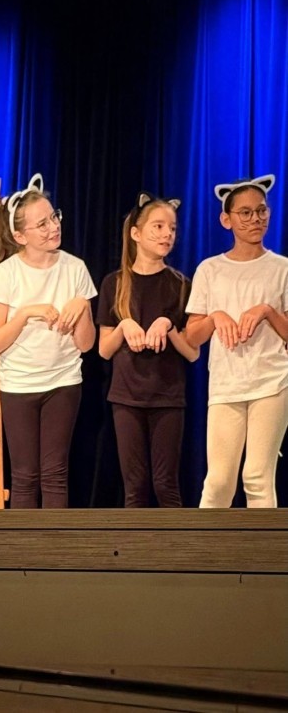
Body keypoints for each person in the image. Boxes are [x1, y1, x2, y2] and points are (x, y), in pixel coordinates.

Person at [0, 173, 97, 508]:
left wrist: (82, 308)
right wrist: (24, 314)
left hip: (63, 381)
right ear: (20, 236)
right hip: (19, 385)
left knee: (55, 473)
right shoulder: (7, 273)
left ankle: (54, 542)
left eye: (54, 217)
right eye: (42, 224)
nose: (53, 227)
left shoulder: (75, 268)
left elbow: (87, 344)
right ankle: (23, 542)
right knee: (25, 475)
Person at [185, 175, 288, 508]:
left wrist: (267, 311)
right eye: (245, 212)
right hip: (226, 384)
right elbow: (192, 336)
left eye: (261, 211)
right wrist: (215, 316)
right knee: (218, 481)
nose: (255, 219)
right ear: (226, 219)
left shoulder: (282, 268)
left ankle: (264, 544)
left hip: (272, 382)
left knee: (257, 476)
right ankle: (205, 543)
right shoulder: (210, 269)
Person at [96, 193, 199, 508]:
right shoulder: (114, 283)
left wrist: (168, 325)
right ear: (136, 233)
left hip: (168, 396)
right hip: (126, 397)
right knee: (135, 487)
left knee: (166, 483)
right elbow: (104, 350)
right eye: (158, 226)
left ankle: (174, 541)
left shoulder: (181, 284)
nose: (167, 234)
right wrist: (125, 326)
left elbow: (192, 353)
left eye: (172, 228)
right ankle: (135, 542)